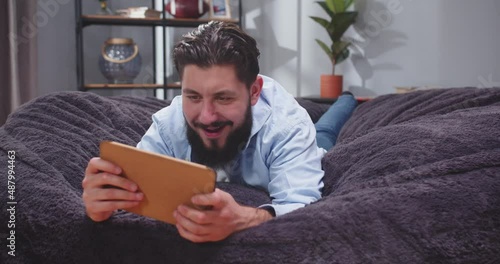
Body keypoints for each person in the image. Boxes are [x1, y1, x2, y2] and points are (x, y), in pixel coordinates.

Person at [82, 21, 357, 243]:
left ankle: (346, 99)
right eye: (193, 97)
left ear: (254, 92)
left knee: (326, 132)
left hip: (309, 137)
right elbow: (138, 186)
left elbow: (303, 208)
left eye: (223, 98)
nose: (206, 117)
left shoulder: (289, 128)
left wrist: (245, 219)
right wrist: (101, 205)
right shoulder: (171, 122)